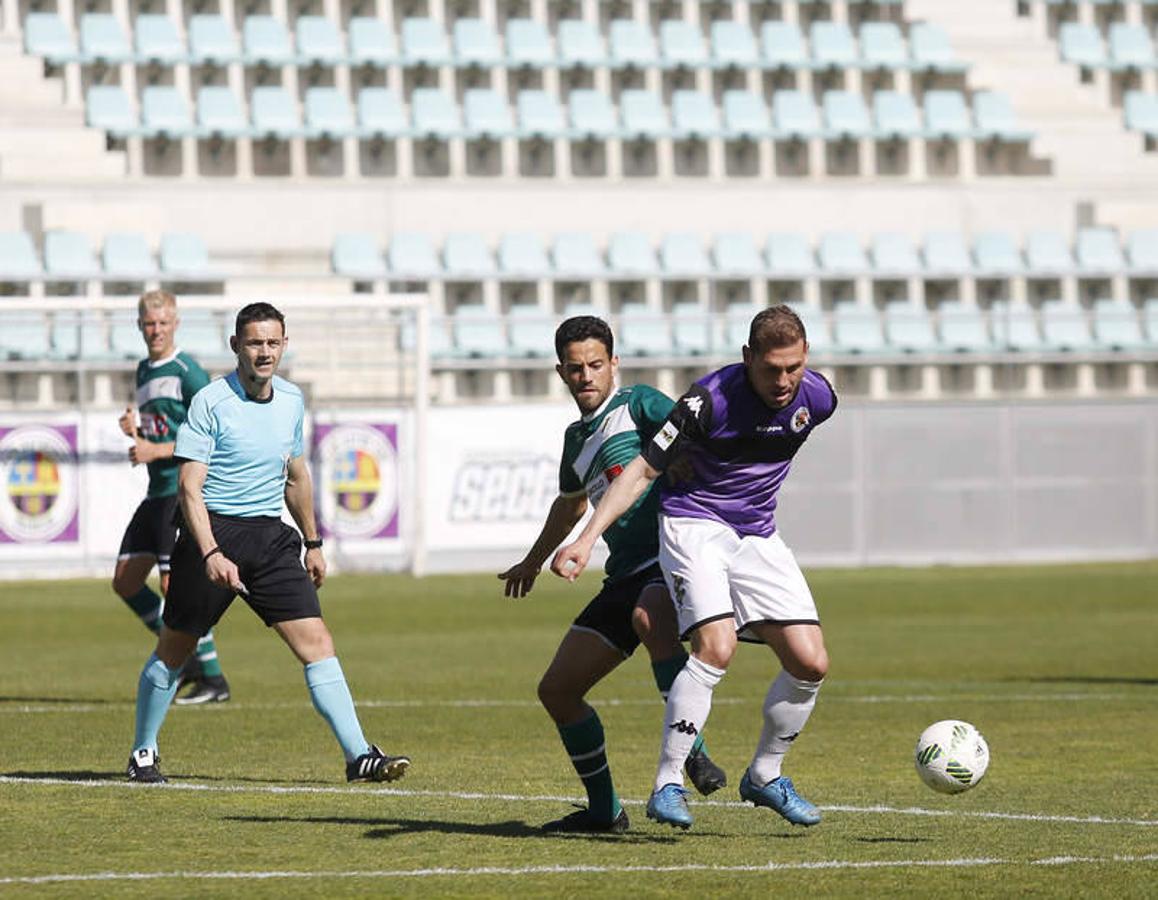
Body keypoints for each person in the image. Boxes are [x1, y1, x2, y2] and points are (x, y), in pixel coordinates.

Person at [551, 305, 836, 831]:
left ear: (807, 360)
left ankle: (766, 775)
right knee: (715, 646)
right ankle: (668, 783)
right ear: (747, 358)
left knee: (811, 661)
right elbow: (640, 470)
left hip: (756, 533)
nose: (783, 380)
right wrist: (586, 539)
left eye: (793, 367)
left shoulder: (819, 398)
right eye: (771, 368)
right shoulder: (706, 402)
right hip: (694, 522)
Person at [125, 302, 409, 785]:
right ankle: (143, 751)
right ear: (236, 346)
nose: (264, 352)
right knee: (176, 648)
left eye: (272, 343)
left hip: (272, 538)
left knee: (317, 643)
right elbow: (190, 487)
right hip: (212, 532)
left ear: (284, 345)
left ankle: (359, 755)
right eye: (254, 342)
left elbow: (295, 476)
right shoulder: (211, 401)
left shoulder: (292, 401)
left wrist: (313, 541)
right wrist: (211, 552)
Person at [499, 316, 726, 835]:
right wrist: (534, 561)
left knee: (652, 618)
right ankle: (604, 812)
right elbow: (570, 506)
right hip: (623, 574)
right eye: (575, 368)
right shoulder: (575, 438)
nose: (586, 376)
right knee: (557, 690)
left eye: (596, 365)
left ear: (614, 364)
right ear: (561, 372)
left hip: (670, 558)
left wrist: (691, 468)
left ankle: (693, 752)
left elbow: (689, 435)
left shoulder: (638, 404)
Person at [113, 290, 230, 705]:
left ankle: (211, 677)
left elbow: (210, 431)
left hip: (177, 493)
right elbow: (164, 424)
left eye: (163, 322)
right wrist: (136, 427)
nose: (156, 329)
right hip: (154, 493)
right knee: (126, 581)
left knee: (173, 585)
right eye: (149, 323)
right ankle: (187, 658)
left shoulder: (188, 370)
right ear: (140, 325)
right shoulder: (145, 370)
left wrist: (154, 450)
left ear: (176, 323)